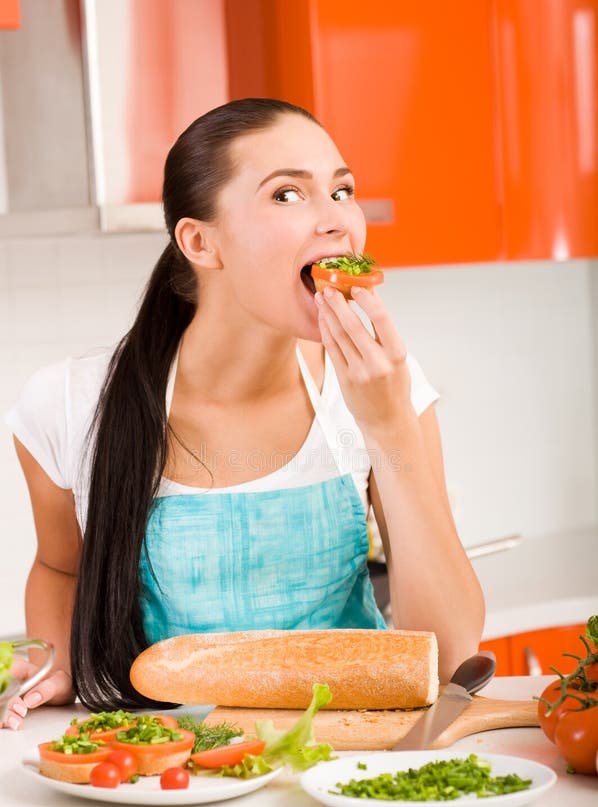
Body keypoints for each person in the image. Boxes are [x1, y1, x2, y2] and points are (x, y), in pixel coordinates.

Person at [2, 98, 485, 729]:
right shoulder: (69, 405)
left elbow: (450, 661)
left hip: (351, 760)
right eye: (288, 195)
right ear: (201, 242)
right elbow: (60, 565)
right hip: (164, 764)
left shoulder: (384, 389)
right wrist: (58, 660)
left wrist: (389, 426)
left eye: (343, 190)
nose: (337, 220)